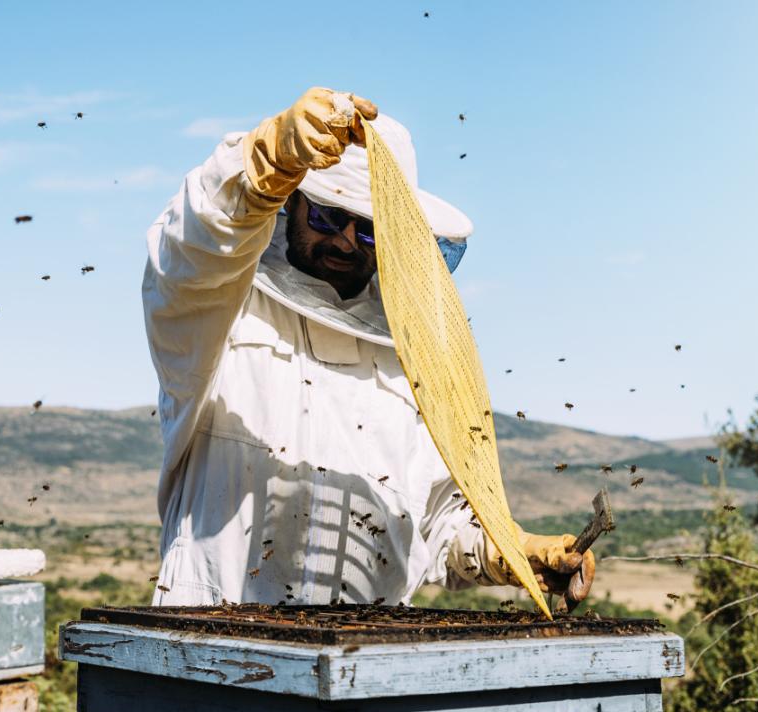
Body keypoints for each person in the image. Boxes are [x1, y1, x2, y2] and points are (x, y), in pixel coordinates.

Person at [142, 87, 594, 607]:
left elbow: (435, 525)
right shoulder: (221, 314)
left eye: (370, 232)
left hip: (366, 652)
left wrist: (509, 551)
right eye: (329, 218)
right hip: (214, 643)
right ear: (292, 202)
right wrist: (262, 162)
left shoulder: (414, 358)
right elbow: (192, 251)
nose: (344, 242)